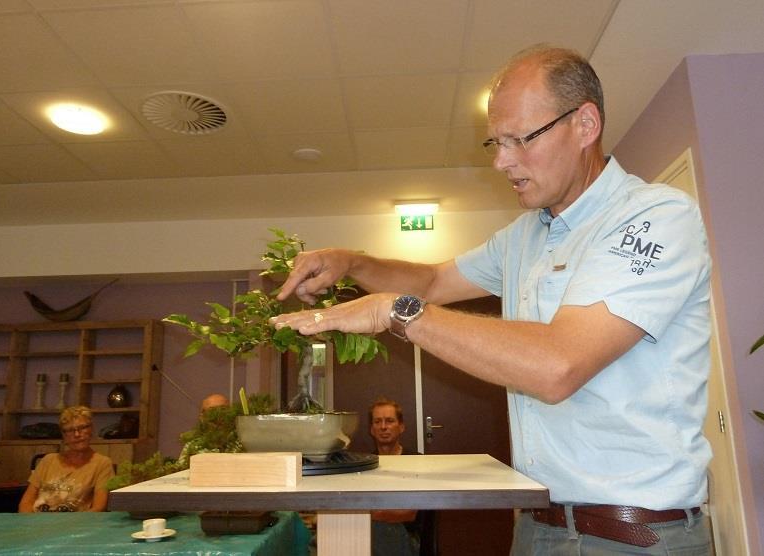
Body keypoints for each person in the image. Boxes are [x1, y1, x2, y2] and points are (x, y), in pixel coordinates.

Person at [270, 44, 713, 555]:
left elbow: (558, 365)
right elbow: (433, 282)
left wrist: (394, 311)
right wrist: (354, 263)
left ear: (585, 124)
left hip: (633, 535)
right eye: (495, 143)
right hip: (537, 525)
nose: (502, 161)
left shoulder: (655, 216)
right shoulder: (525, 235)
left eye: (519, 139)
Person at [18, 405, 114, 512]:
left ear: (91, 429)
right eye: (70, 430)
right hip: (38, 523)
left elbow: (99, 508)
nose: (77, 434)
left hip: (76, 524)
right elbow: (25, 503)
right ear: (63, 435)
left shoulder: (102, 463)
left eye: (82, 428)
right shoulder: (48, 460)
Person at [368, 398, 422, 556]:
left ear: (401, 427)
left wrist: (369, 514)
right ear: (372, 429)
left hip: (407, 538)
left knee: (379, 528)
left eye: (389, 421)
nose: (383, 427)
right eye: (377, 422)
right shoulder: (365, 464)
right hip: (370, 534)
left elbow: (409, 514)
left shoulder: (416, 461)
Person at [176, 393, 243, 467]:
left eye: (223, 410)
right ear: (202, 416)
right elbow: (180, 470)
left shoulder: (242, 442)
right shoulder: (192, 445)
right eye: (212, 411)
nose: (217, 415)